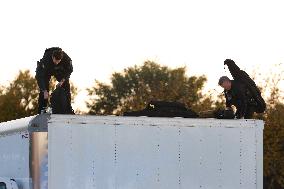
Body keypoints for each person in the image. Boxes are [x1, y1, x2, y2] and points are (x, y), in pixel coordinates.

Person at [36, 47, 73, 114]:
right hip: (47, 70)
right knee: (44, 88)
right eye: (55, 60)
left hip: (59, 70)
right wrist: (44, 90)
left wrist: (62, 80)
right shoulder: (46, 59)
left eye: (58, 61)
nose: (56, 62)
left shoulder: (66, 59)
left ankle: (68, 108)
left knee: (66, 84)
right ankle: (42, 108)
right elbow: (39, 76)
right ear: (52, 57)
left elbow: (70, 70)